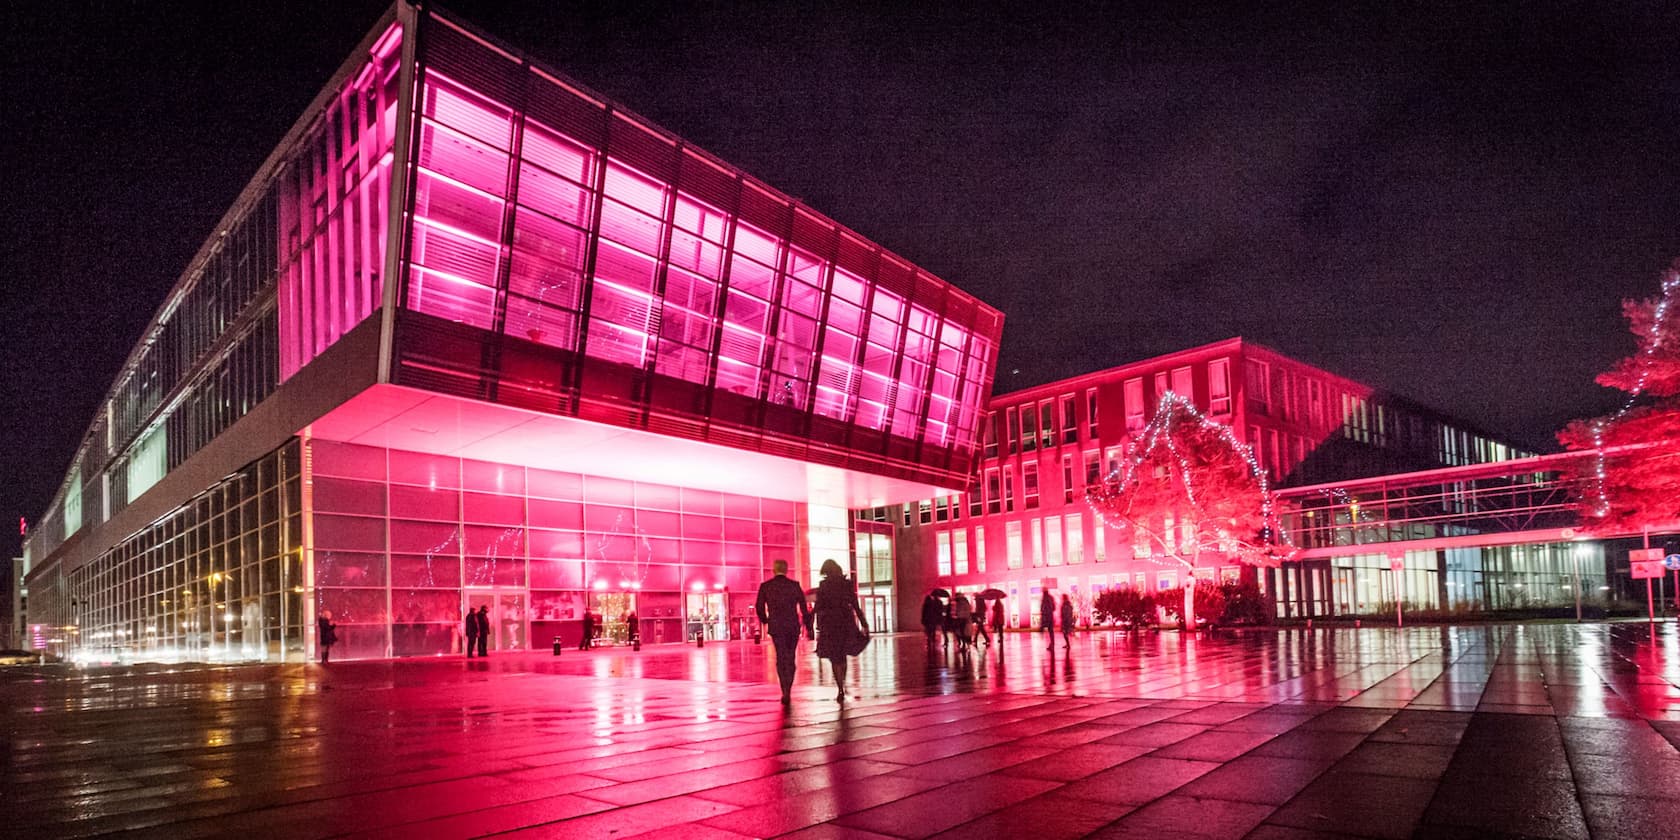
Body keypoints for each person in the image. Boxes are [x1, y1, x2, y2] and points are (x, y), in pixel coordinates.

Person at [755, 559, 813, 705]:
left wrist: (765, 620)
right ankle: (788, 688)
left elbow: (759, 606)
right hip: (792, 626)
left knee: (781, 657)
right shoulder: (794, 586)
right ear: (786, 570)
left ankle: (784, 690)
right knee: (790, 656)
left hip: (776, 626)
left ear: (774, 570)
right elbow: (803, 607)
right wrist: (808, 626)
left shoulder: (766, 586)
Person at [813, 559, 868, 703]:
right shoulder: (846, 584)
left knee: (834, 657)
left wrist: (812, 620)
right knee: (842, 655)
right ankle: (842, 683)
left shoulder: (823, 585)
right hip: (845, 622)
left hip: (830, 624)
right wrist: (863, 623)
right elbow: (855, 604)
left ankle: (840, 688)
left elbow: (819, 606)